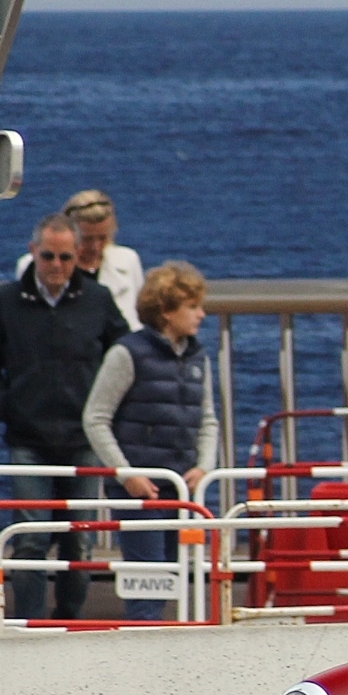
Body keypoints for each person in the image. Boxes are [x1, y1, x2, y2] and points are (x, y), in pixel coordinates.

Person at [0, 212, 130, 621]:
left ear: (77, 256)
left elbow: (124, 357)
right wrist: (3, 404)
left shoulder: (97, 300)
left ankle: (68, 620)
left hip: (84, 440)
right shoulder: (6, 302)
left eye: (66, 257)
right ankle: (29, 624)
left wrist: (109, 411)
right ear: (33, 252)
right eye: (49, 256)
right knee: (30, 538)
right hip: (28, 438)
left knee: (79, 541)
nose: (57, 266)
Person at [83, 263, 217, 622]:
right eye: (192, 306)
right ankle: (142, 656)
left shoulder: (197, 356)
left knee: (173, 578)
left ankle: (162, 654)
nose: (201, 315)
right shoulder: (127, 354)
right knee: (148, 583)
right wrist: (126, 474)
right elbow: (96, 417)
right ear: (166, 310)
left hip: (179, 488)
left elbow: (208, 419)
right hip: (139, 490)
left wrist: (204, 465)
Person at [15, 189, 141, 328]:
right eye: (87, 239)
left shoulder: (128, 261)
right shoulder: (34, 265)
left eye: (102, 238)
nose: (95, 247)